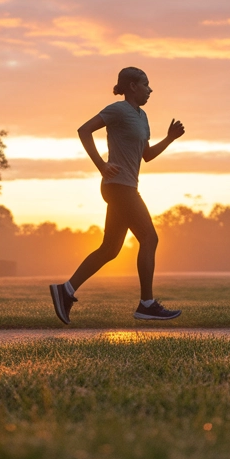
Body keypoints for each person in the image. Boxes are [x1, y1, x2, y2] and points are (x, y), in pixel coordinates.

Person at [50, 67, 185, 324]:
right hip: (117, 186)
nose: (150, 89)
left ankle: (65, 290)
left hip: (127, 187)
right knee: (149, 237)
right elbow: (84, 130)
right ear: (132, 86)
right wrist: (101, 165)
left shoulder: (142, 116)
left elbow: (146, 156)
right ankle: (147, 303)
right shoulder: (118, 110)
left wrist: (169, 139)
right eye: (146, 84)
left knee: (110, 249)